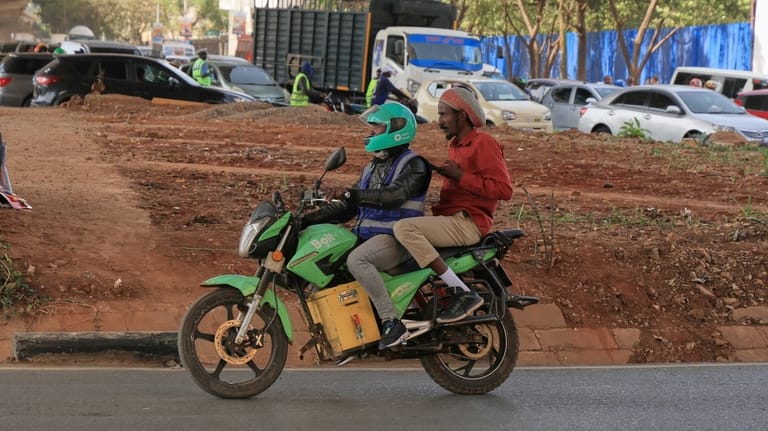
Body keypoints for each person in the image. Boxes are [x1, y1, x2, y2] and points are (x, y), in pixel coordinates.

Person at [302, 102, 431, 349]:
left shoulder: (415, 165)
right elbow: (347, 208)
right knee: (333, 260)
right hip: (371, 237)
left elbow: (394, 196)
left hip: (397, 239)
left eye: (377, 127)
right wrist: (305, 220)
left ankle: (392, 322)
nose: (371, 132)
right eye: (371, 127)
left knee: (357, 260)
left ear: (396, 129)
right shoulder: (371, 167)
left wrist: (354, 195)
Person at [393, 87, 513, 324]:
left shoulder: (484, 143)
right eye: (439, 116)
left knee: (405, 229)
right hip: (452, 219)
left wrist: (460, 176)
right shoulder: (456, 145)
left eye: (444, 115)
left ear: (463, 115)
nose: (440, 122)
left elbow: (503, 190)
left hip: (468, 223)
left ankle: (462, 292)